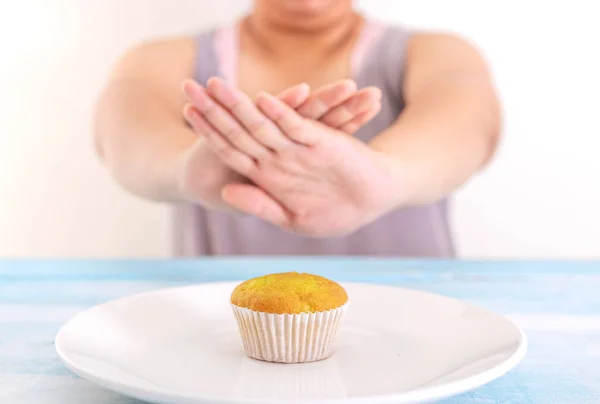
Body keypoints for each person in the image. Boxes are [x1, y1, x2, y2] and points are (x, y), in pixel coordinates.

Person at [94, 0, 501, 257]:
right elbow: (123, 132)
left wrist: (385, 176)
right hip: (222, 341)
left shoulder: (435, 52)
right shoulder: (163, 58)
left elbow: (468, 122)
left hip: (416, 336)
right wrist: (186, 169)